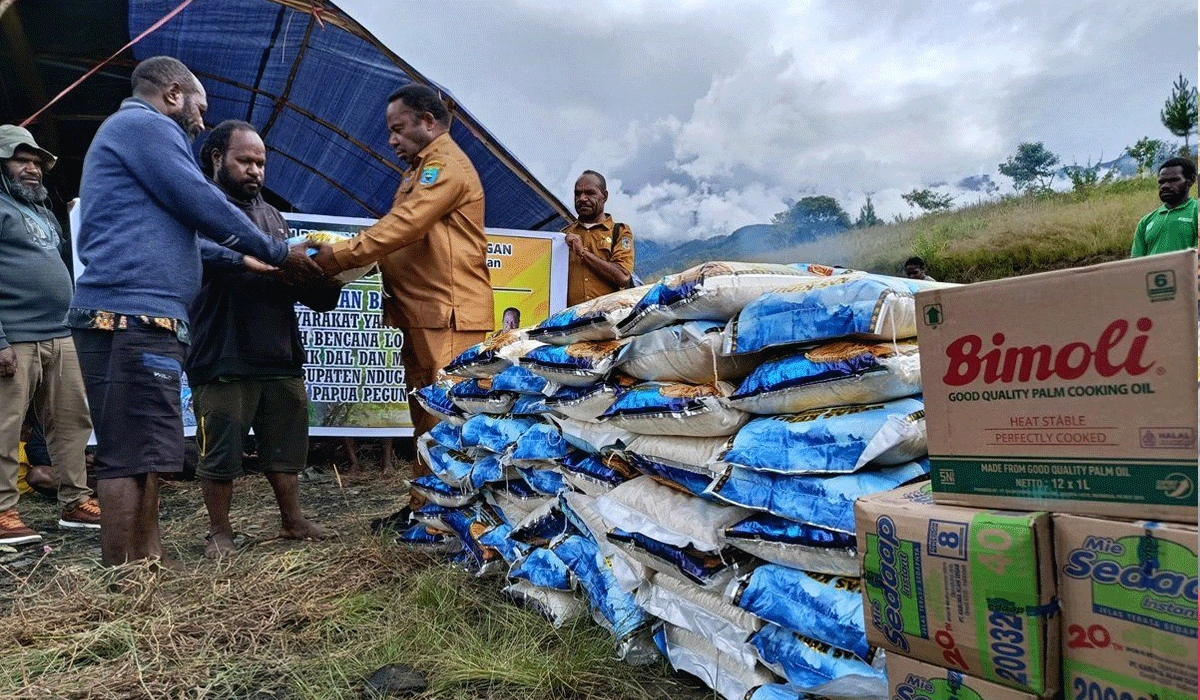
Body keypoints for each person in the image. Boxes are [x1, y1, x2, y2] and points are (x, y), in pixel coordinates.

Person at [68, 56, 323, 567]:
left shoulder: (133, 137)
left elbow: (191, 241)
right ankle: (125, 576)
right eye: (199, 107)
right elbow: (201, 204)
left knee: (142, 453)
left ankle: (148, 559)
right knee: (127, 454)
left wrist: (241, 256)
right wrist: (276, 252)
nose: (202, 121)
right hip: (134, 316)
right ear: (172, 93)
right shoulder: (146, 127)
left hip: (135, 314)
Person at [311, 84, 492, 526]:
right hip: (420, 313)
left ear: (428, 121)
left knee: (445, 420)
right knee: (426, 420)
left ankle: (446, 518)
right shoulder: (418, 169)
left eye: (398, 128)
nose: (391, 139)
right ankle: (424, 509)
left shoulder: (445, 165)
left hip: (448, 314)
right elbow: (399, 235)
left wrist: (334, 257)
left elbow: (405, 226)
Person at [187, 120, 338, 558]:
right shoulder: (200, 204)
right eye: (245, 160)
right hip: (221, 350)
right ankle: (219, 531)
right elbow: (193, 253)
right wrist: (245, 259)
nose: (255, 170)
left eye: (261, 162)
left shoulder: (272, 214)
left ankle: (292, 521)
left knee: (287, 444)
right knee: (220, 450)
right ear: (218, 158)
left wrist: (328, 277)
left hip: (277, 350)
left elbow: (288, 276)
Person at [0, 125, 100, 545]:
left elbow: (60, 263)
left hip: (60, 333)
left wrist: (76, 221)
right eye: (22, 159)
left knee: (72, 423)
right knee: (4, 427)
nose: (33, 168)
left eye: (37, 161)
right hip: (15, 336)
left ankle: (75, 501)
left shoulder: (40, 210)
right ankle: (3, 511)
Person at [562, 170, 635, 306]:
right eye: (577, 194)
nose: (582, 198)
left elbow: (623, 277)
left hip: (607, 319)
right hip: (571, 322)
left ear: (604, 196)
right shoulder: (563, 237)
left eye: (590, 193)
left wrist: (582, 253)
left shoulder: (619, 232)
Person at [1131, 157, 1198, 257]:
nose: (1165, 186)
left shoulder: (1196, 211)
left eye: (1173, 180)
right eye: (1161, 182)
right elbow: (1135, 264)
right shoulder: (1146, 221)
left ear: (1191, 180)